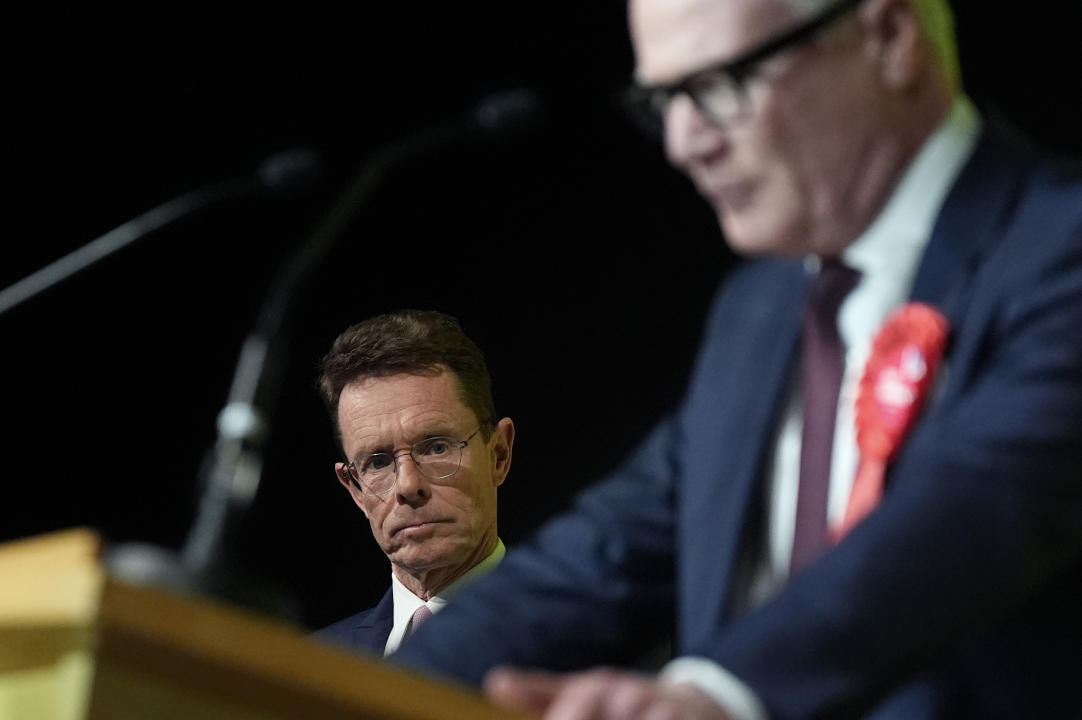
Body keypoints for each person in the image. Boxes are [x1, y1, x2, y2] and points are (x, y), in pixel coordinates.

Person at [390, 0, 1082, 718]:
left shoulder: (1062, 254)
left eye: (721, 83)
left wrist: (719, 694)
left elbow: (971, 515)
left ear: (889, 36)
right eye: (663, 100)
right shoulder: (757, 311)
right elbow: (599, 560)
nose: (685, 143)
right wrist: (326, 688)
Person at [311, 309, 515, 656]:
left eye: (436, 448)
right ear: (355, 489)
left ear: (498, 454)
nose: (408, 485)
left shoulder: (585, 637)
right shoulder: (312, 667)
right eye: (377, 462)